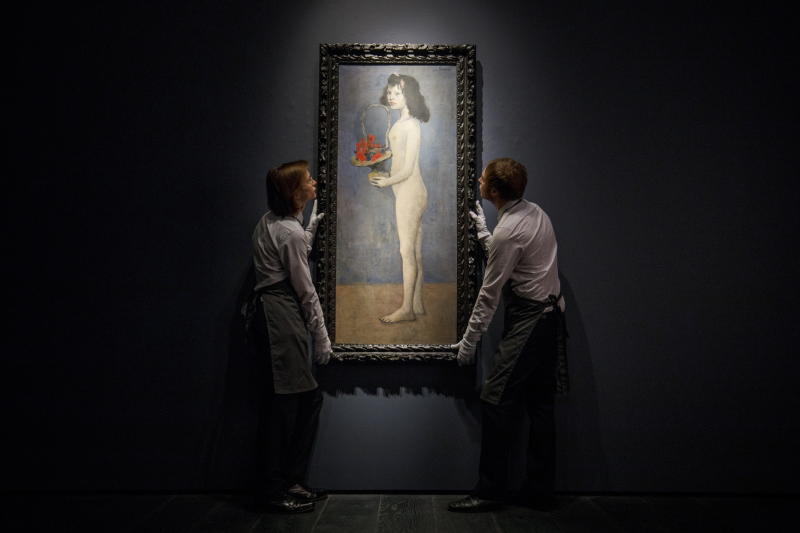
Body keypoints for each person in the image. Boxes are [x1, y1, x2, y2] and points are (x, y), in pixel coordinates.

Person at [448, 158, 565, 513]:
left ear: (494, 191)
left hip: (532, 320)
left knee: (495, 398)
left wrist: (469, 343)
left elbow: (489, 294)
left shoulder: (509, 231)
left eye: (483, 178)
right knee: (540, 404)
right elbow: (516, 260)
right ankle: (540, 491)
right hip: (551, 317)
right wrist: (486, 234)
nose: (479, 180)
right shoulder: (536, 213)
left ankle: (490, 491)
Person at [250, 160, 332, 513]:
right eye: (308, 180)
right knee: (283, 407)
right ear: (295, 192)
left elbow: (290, 253)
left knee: (302, 400)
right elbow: (305, 289)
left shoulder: (271, 222)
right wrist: (322, 336)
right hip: (279, 315)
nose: (314, 183)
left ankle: (290, 480)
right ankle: (273, 489)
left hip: (273, 312)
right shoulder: (289, 233)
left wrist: (308, 228)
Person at [369, 73, 430, 323]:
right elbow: (396, 161)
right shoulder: (399, 124)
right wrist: (382, 168)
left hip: (411, 193)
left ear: (409, 96)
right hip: (407, 192)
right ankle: (416, 303)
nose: (392, 97)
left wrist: (386, 182)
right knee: (415, 252)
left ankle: (406, 309)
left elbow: (407, 169)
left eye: (398, 93)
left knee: (406, 251)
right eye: (390, 92)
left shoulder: (412, 125)